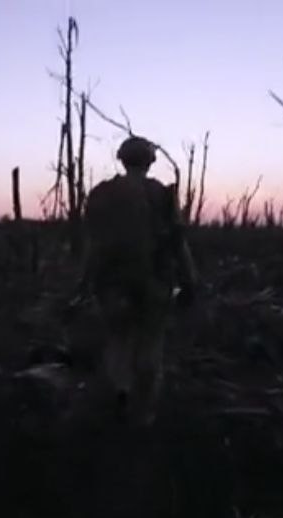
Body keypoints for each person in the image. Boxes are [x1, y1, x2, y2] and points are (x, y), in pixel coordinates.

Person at [77, 135, 198, 425]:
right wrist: (190, 278)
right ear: (149, 161)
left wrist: (83, 281)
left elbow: (93, 244)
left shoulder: (102, 194)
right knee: (151, 343)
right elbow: (178, 242)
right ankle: (143, 413)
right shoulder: (162, 194)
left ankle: (121, 393)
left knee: (118, 340)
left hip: (112, 284)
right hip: (154, 283)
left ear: (122, 159)